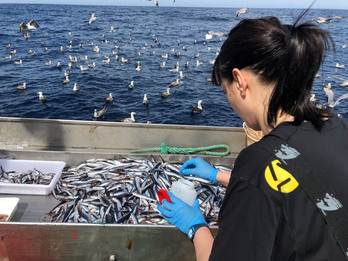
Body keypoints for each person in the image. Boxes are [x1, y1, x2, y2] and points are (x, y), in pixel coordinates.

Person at [157, 13, 348, 261]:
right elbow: (300, 182)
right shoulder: (337, 127)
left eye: (226, 91)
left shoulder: (257, 163)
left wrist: (197, 227)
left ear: (239, 81)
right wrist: (220, 176)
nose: (230, 102)